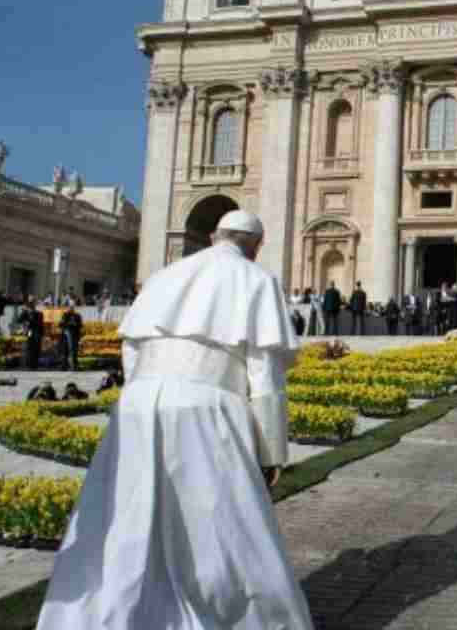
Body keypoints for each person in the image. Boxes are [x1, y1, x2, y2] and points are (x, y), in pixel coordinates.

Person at [36, 209, 313, 630]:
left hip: (139, 403)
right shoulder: (255, 279)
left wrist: (145, 394)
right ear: (255, 245)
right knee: (218, 520)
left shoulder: (166, 276)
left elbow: (132, 349)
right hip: (206, 406)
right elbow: (263, 373)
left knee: (128, 515)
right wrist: (271, 449)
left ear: (214, 235)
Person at [18, 297, 45, 370]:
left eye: (32, 302)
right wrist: (25, 316)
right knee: (29, 346)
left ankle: (34, 364)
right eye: (30, 302)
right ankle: (28, 364)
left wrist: (42, 333)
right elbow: (19, 320)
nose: (31, 304)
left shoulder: (38, 313)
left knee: (37, 347)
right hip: (30, 331)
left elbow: (40, 323)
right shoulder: (26, 312)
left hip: (37, 331)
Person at [59, 305, 83, 371]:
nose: (71, 309)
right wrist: (68, 323)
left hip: (75, 335)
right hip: (66, 335)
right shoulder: (65, 315)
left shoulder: (77, 316)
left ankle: (74, 365)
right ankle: (64, 365)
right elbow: (60, 324)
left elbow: (80, 325)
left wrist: (75, 324)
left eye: (72, 308)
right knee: (65, 351)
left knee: (73, 351)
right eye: (69, 308)